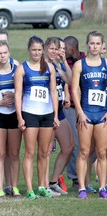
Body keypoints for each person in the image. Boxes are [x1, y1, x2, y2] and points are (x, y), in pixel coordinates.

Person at [14, 35, 59, 200]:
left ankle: (42, 186)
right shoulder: (22, 69)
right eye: (34, 50)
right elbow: (18, 94)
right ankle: (30, 188)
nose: (37, 53)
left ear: (43, 50)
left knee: (44, 152)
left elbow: (53, 92)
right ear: (28, 50)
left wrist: (55, 114)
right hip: (30, 114)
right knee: (29, 152)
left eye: (40, 50)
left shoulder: (50, 68)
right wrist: (20, 117)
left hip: (46, 114)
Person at [72, 31, 107, 199]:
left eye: (97, 44)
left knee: (102, 152)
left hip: (102, 115)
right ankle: (82, 188)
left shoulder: (106, 64)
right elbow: (74, 89)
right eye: (92, 43)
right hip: (85, 113)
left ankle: (102, 187)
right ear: (87, 44)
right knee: (84, 152)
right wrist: (79, 112)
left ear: (102, 46)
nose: (94, 46)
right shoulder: (80, 64)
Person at [0, 40, 22, 198]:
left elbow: (23, 91)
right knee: (0, 153)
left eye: (5, 53)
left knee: (14, 154)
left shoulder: (17, 69)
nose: (2, 56)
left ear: (9, 53)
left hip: (14, 115)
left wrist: (14, 95)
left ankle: (14, 187)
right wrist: (0, 102)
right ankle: (1, 188)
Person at [43, 37, 74, 196]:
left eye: (57, 49)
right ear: (45, 48)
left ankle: (53, 181)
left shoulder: (58, 64)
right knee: (46, 150)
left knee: (69, 146)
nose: (55, 52)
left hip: (60, 111)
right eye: (52, 49)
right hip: (45, 112)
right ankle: (44, 185)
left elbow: (70, 80)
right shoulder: (41, 65)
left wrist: (63, 62)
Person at [63, 36, 88, 190]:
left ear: (72, 49)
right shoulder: (67, 63)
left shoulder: (84, 61)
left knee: (91, 146)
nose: (62, 52)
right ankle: (75, 178)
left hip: (90, 108)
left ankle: (87, 175)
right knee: (76, 144)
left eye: (64, 49)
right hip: (71, 107)